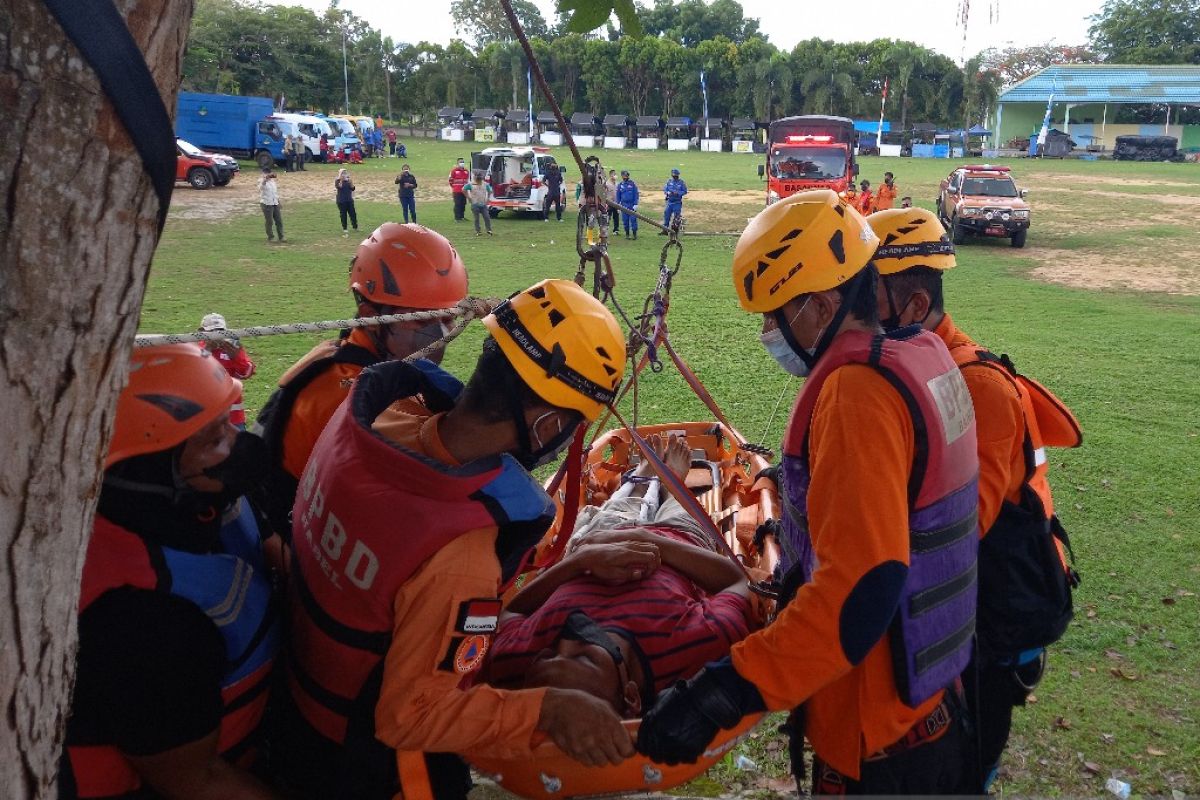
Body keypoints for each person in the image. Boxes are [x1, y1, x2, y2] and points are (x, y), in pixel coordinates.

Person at [637, 190, 981, 796]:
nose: (769, 332)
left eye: (775, 314)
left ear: (821, 308)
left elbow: (861, 591)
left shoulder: (856, 395)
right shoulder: (922, 357)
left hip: (878, 741)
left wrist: (724, 691)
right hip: (931, 705)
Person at [278, 279, 633, 800]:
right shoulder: (461, 555)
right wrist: (548, 708)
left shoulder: (379, 419)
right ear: (549, 424)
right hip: (361, 765)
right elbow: (410, 717)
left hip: (297, 704)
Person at [867, 207, 1082, 793]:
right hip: (958, 604)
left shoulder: (977, 387)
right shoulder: (909, 367)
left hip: (994, 613)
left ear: (913, 307)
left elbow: (958, 528)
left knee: (963, 766)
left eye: (866, 298)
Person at [60, 344, 279, 800]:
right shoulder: (143, 624)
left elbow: (275, 554)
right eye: (215, 440)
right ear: (148, 470)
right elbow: (197, 783)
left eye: (229, 423)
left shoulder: (206, 495)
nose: (238, 446)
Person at [484, 434, 755, 712]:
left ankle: (643, 476)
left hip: (598, 540)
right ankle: (673, 481)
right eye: (585, 659)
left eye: (548, 654)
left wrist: (579, 561)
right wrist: (652, 540)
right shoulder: (698, 646)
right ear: (631, 696)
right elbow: (739, 582)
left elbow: (510, 614)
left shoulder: (514, 665)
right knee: (681, 504)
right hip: (679, 543)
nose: (566, 641)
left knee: (615, 511)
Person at [255, 223, 468, 539]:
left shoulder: (338, 356)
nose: (439, 334)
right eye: (421, 318)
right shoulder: (351, 395)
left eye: (449, 318)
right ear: (370, 314)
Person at [198, 312, 256, 429]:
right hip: (205, 416)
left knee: (238, 446)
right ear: (202, 332)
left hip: (233, 417)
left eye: (220, 331)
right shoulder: (196, 349)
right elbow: (193, 375)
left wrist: (236, 357)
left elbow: (246, 372)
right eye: (211, 331)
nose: (216, 335)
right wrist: (207, 350)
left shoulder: (232, 347)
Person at [259, 168, 284, 243]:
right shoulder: (261, 181)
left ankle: (281, 236)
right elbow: (261, 187)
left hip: (274, 203)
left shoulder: (273, 182)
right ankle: (270, 236)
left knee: (279, 221)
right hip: (266, 203)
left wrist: (278, 202)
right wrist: (265, 179)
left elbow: (275, 193)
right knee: (269, 221)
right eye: (267, 173)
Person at [465, 170, 493, 236]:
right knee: (476, 218)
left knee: (487, 217)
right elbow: (464, 189)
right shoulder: (471, 184)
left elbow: (490, 191)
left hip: (483, 204)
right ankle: (478, 231)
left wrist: (488, 198)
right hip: (475, 204)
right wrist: (468, 197)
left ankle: (489, 230)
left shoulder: (485, 184)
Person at [661, 168, 687, 233]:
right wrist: (667, 193)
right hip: (669, 202)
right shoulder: (669, 181)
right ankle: (665, 230)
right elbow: (665, 189)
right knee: (666, 215)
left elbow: (684, 191)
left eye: (675, 175)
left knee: (677, 217)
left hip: (677, 203)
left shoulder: (681, 183)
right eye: (673, 174)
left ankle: (675, 231)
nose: (674, 176)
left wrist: (678, 193)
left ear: (678, 175)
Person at [615, 169, 639, 239]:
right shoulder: (620, 185)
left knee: (633, 220)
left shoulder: (632, 184)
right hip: (623, 205)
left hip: (631, 205)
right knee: (625, 221)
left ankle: (634, 234)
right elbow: (618, 196)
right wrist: (618, 206)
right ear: (622, 176)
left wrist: (635, 204)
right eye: (624, 176)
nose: (626, 177)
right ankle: (627, 234)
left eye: (627, 176)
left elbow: (636, 194)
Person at [335, 168, 358, 237]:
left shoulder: (348, 180)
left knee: (353, 214)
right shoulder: (337, 180)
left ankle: (355, 227)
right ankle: (345, 228)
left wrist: (351, 183)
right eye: (342, 173)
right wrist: (341, 180)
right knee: (343, 215)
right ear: (340, 174)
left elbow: (353, 188)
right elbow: (339, 187)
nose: (344, 174)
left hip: (349, 200)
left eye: (345, 173)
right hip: (341, 201)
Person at [448, 157, 470, 222]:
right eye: (460, 162)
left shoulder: (466, 171)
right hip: (457, 191)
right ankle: (457, 218)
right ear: (457, 163)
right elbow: (450, 180)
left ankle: (462, 217)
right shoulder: (454, 171)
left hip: (464, 191)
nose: (462, 163)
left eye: (463, 162)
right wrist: (454, 187)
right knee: (458, 204)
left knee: (463, 204)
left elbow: (467, 180)